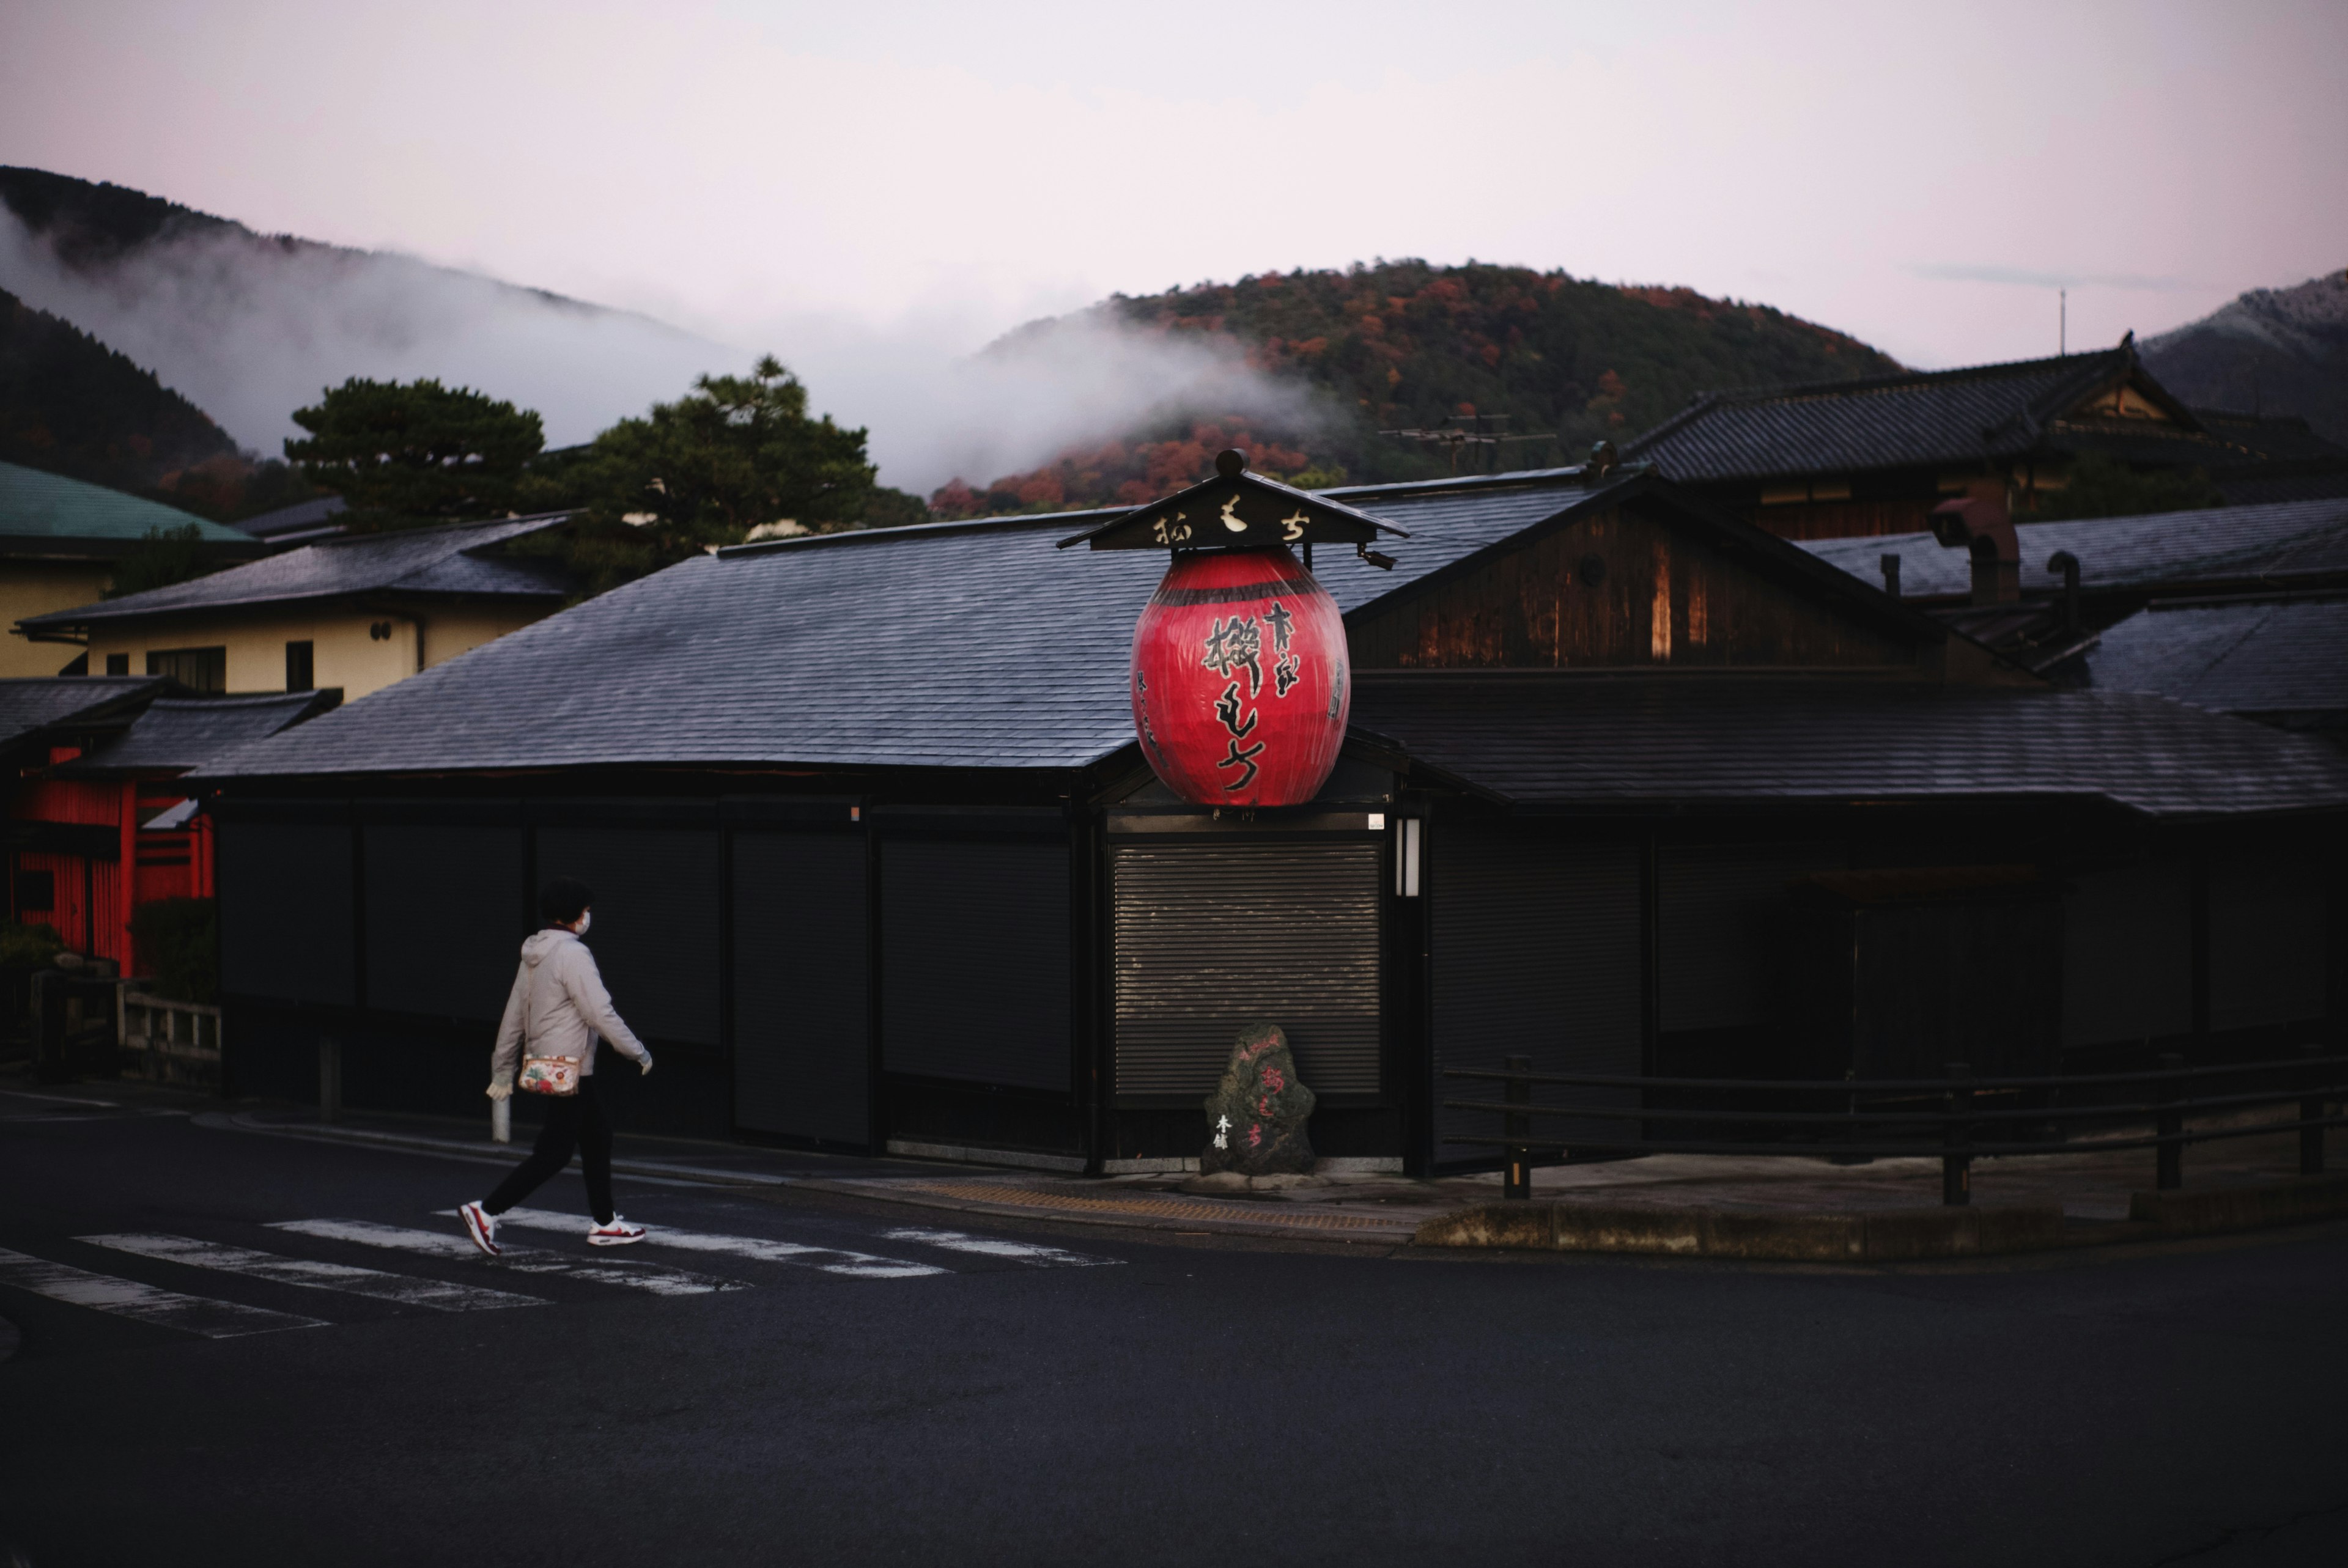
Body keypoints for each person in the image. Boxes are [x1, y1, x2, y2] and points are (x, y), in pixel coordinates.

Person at [459, 878, 654, 1255]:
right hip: (571, 1070)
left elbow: (513, 1016)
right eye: (587, 911)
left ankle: (604, 1222)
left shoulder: (535, 953)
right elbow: (599, 1012)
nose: (589, 918)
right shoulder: (573, 954)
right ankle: (486, 1211)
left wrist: (502, 1068)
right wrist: (637, 1052)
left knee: (598, 1136)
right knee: (554, 1153)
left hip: (550, 1065)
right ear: (576, 916)